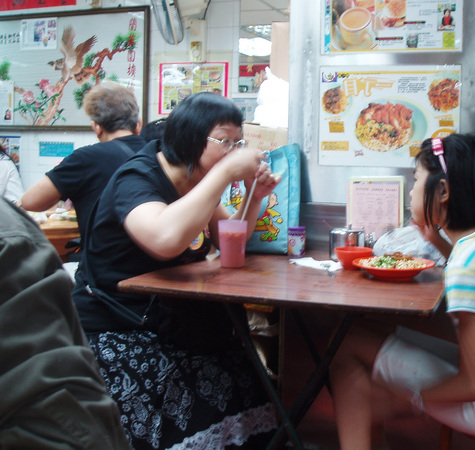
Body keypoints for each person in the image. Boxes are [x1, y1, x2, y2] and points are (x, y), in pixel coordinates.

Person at [72, 92, 281, 449]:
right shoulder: (137, 178)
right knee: (185, 382)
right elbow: (164, 238)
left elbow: (232, 240)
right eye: (224, 141)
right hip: (116, 325)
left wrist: (254, 196)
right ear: (189, 138)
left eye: (238, 142)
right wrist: (226, 172)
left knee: (243, 372)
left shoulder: (197, 183)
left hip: (171, 319)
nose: (234, 150)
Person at [330, 134, 475, 449]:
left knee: (345, 348)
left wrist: (410, 402)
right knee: (357, 333)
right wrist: (435, 240)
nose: (411, 191)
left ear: (443, 191)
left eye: (416, 180)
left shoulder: (467, 266)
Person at [0, 198, 129, 449]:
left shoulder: (10, 238)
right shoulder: (138, 177)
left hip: (117, 326)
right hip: (107, 324)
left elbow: (31, 199)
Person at [21, 81, 146, 245]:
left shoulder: (85, 158)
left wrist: (62, 181)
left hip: (103, 267)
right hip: (161, 266)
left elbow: (30, 202)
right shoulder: (158, 153)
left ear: (96, 127)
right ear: (138, 124)